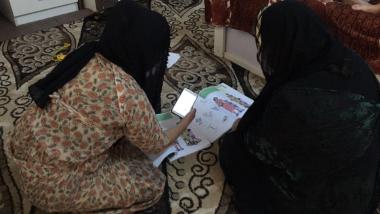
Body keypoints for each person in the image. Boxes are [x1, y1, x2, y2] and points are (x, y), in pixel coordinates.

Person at [4, 1, 195, 213]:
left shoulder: (85, 54)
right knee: (150, 181)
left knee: (121, 143)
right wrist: (186, 120)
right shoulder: (129, 95)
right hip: (52, 186)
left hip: (21, 147)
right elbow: (157, 145)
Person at [219, 1, 380, 213]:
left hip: (330, 199)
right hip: (367, 181)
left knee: (234, 152)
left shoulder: (294, 102)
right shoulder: (349, 60)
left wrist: (240, 130)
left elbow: (261, 148)